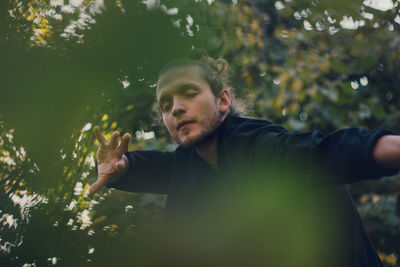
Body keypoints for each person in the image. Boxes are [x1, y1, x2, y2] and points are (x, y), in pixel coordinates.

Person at [89, 57, 400, 266]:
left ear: (223, 102)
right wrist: (122, 168)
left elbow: (328, 152)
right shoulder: (188, 164)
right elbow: (156, 168)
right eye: (166, 104)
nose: (176, 109)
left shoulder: (255, 145)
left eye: (188, 93)